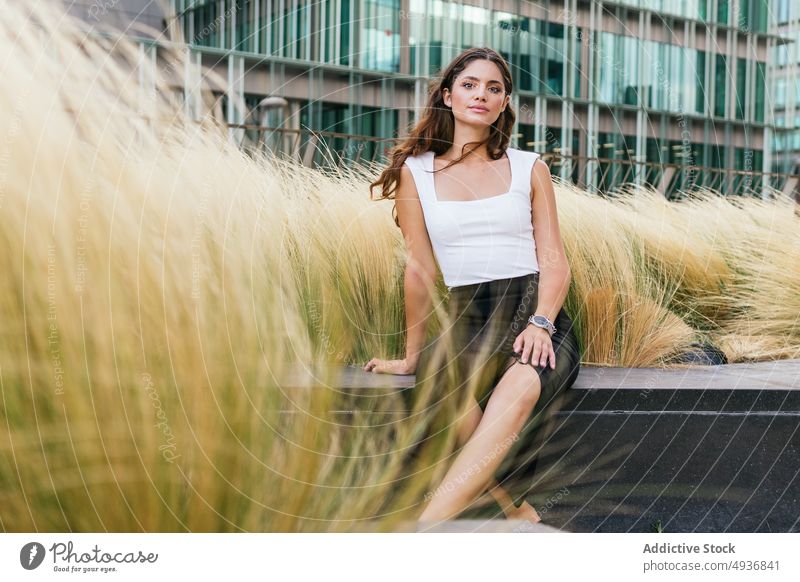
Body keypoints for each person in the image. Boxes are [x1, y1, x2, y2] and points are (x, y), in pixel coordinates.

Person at [364, 47, 581, 525]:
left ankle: (424, 528)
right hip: (467, 318)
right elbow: (419, 270)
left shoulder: (530, 167)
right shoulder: (414, 172)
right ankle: (516, 511)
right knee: (446, 397)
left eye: (494, 88)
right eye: (469, 84)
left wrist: (542, 323)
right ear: (448, 95)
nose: (481, 94)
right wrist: (413, 354)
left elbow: (555, 261)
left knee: (522, 388)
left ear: (504, 104)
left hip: (532, 309)